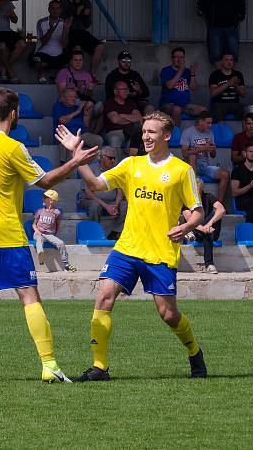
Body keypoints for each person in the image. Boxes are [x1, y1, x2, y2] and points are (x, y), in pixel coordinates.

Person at [0, 87, 98, 383]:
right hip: (7, 235)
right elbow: (45, 181)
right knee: (29, 296)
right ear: (15, 112)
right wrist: (76, 162)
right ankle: (49, 365)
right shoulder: (13, 148)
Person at [73, 111, 207, 381]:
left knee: (168, 314)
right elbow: (96, 184)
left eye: (152, 132)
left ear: (166, 135)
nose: (146, 136)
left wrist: (187, 226)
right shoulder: (131, 164)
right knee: (104, 296)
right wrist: (78, 158)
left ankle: (194, 351)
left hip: (160, 252)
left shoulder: (182, 171)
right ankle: (100, 368)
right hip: (127, 247)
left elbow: (197, 211)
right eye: (144, 131)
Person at [196, 0, 245, 65]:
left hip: (231, 25)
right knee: (215, 53)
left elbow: (240, 2)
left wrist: (241, 14)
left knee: (233, 53)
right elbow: (202, 2)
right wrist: (200, 11)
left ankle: (231, 74)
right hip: (214, 25)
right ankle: (218, 75)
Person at [77, 146, 128, 240]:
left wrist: (116, 205)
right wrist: (106, 206)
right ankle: (94, 233)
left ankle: (115, 232)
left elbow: (120, 191)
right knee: (95, 206)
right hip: (91, 199)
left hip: (111, 202)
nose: (112, 161)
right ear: (101, 157)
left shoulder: (116, 170)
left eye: (114, 158)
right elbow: (88, 193)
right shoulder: (91, 169)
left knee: (125, 205)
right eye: (110, 158)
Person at [59, 0, 105, 78]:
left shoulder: (86, 2)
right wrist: (76, 13)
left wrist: (85, 16)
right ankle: (76, 77)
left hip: (81, 31)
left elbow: (87, 24)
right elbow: (62, 20)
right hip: (68, 32)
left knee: (100, 47)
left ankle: (91, 75)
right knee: (77, 49)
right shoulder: (64, 1)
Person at [181, 111, 230, 199]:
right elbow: (184, 153)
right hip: (191, 166)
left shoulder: (210, 133)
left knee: (225, 174)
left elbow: (213, 155)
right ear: (200, 121)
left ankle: (219, 204)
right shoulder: (188, 132)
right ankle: (195, 183)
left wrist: (212, 149)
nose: (210, 125)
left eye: (211, 123)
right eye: (208, 123)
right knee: (192, 156)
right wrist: (203, 148)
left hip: (205, 165)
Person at [184, 180, 225, 274]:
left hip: (208, 228)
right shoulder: (187, 200)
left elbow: (221, 209)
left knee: (217, 212)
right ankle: (210, 265)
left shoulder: (208, 196)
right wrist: (204, 228)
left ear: (202, 189)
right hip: (197, 229)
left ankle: (192, 233)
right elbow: (188, 218)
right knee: (207, 233)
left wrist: (209, 224)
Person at [52, 88, 102, 162]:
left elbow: (86, 125)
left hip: (81, 134)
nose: (74, 99)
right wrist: (78, 111)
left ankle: (98, 162)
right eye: (71, 97)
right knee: (65, 145)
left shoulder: (78, 107)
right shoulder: (58, 106)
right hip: (66, 135)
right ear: (63, 98)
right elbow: (62, 120)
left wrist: (86, 114)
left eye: (75, 97)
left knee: (99, 140)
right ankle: (64, 165)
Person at [33, 189, 76, 272]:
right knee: (39, 240)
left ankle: (66, 263)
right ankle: (40, 255)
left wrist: (53, 235)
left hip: (49, 234)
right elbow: (34, 224)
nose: (43, 199)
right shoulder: (40, 211)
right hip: (39, 233)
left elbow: (58, 225)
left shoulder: (57, 212)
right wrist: (36, 230)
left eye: (45, 197)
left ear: (51, 200)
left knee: (60, 243)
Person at [159, 47, 203, 126]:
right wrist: (181, 70)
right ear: (172, 58)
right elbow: (170, 86)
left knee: (203, 111)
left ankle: (198, 135)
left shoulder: (187, 72)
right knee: (177, 109)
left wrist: (192, 74)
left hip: (185, 104)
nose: (179, 60)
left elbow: (194, 88)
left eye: (181, 57)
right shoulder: (166, 70)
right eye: (176, 57)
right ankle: (176, 135)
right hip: (168, 104)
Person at [32, 0, 70, 83]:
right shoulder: (41, 22)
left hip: (59, 54)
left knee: (71, 60)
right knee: (37, 60)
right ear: (49, 9)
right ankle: (41, 77)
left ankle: (57, 76)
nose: (55, 11)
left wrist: (65, 29)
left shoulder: (64, 23)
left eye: (57, 8)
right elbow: (44, 42)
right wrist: (51, 30)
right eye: (53, 8)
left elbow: (64, 44)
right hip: (44, 53)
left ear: (61, 10)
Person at [103, 80, 142, 154]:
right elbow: (115, 120)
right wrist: (131, 119)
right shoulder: (110, 102)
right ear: (115, 91)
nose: (126, 91)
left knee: (139, 131)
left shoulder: (130, 102)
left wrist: (121, 115)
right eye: (123, 89)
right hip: (114, 131)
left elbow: (139, 117)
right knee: (115, 139)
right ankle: (117, 164)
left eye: (127, 89)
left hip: (130, 131)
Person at [208, 52, 246, 121]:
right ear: (221, 62)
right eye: (226, 60)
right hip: (220, 104)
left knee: (246, 112)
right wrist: (228, 83)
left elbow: (243, 95)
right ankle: (221, 131)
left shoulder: (238, 74)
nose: (229, 62)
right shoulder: (215, 74)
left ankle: (244, 131)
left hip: (235, 103)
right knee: (217, 110)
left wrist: (236, 86)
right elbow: (213, 93)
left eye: (231, 60)